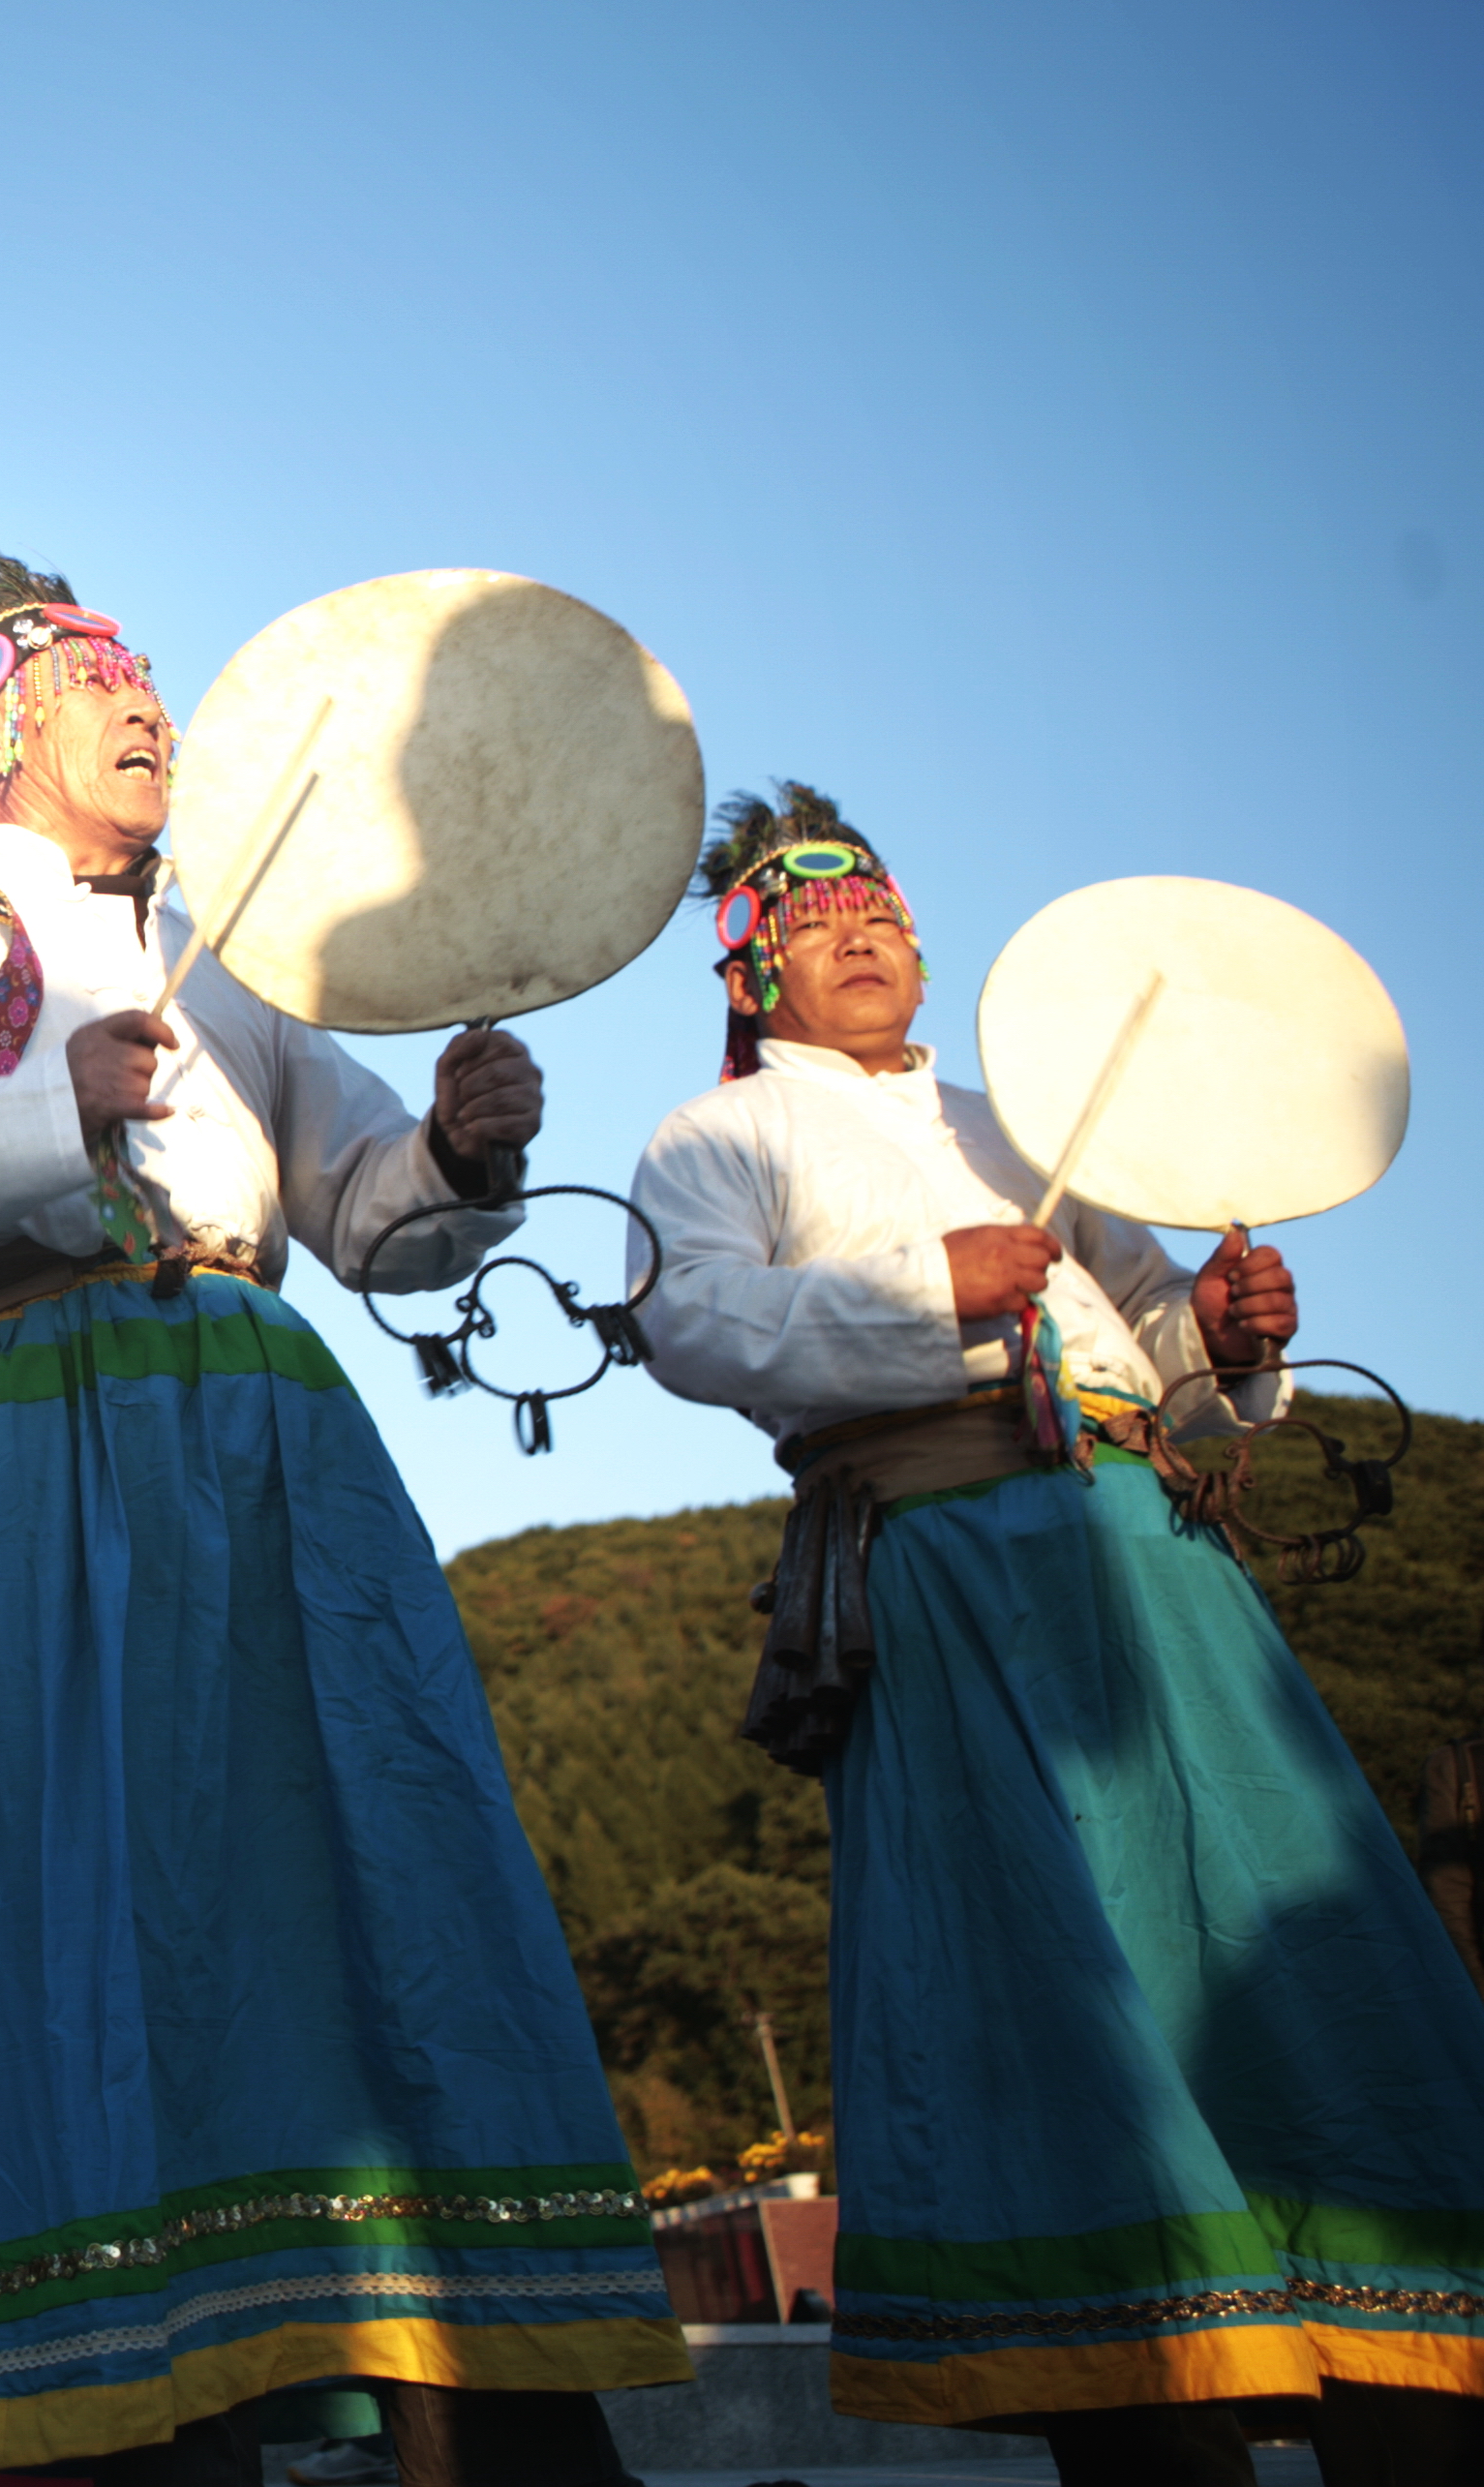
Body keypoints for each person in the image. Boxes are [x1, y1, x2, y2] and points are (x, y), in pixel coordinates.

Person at [0, 549, 685, 2484]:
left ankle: (444, 2364)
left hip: (260, 1444)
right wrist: (40, 1115)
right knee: (83, 1898)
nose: (148, 696)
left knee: (351, 1877)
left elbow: (369, 1221)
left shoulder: (240, 961)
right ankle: (113, 2392)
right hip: (35, 1454)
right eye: (101, 669)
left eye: (149, 664)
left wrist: (458, 1155)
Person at [629, 786, 1484, 2484]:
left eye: (878, 906)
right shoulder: (713, 1140)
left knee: (1286, 1952)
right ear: (747, 972)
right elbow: (684, 1320)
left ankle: (1387, 2358)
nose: (858, 931)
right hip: (946, 1570)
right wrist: (915, 1288)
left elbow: (1175, 1375)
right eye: (810, 920)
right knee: (1048, 1986)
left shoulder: (1021, 1121)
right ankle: (1136, 2391)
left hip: (1149, 1554)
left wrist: (1228, 1345)